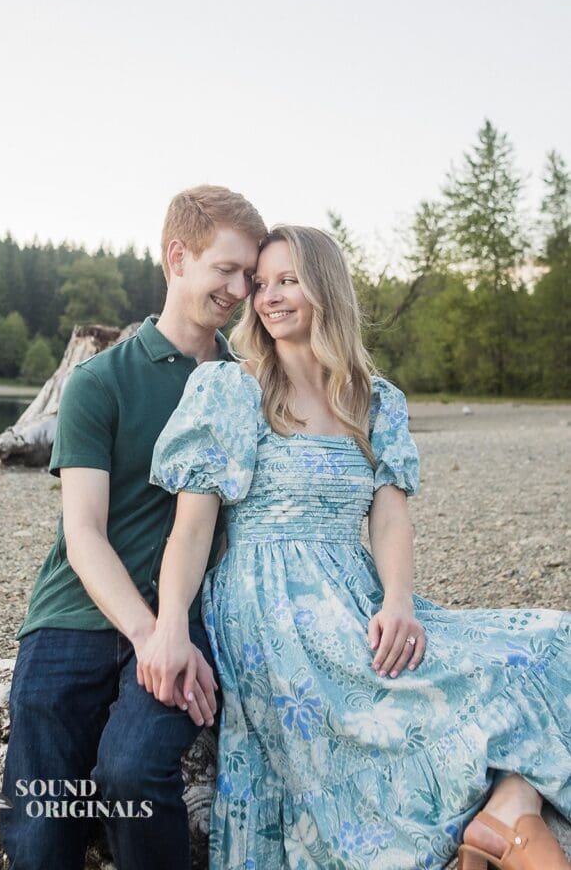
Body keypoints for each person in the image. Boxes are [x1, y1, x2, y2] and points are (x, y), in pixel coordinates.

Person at [144, 224, 571, 870]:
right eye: (260, 284)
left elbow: (389, 520)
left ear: (325, 289)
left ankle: (509, 808)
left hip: (358, 588)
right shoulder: (230, 390)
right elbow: (192, 529)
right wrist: (170, 626)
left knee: (547, 641)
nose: (268, 297)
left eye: (288, 281)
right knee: (406, 709)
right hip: (271, 611)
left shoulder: (373, 400)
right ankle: (505, 817)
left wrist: (397, 599)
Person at [0, 185, 267, 870]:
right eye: (226, 269)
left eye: (250, 275)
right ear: (177, 257)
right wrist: (148, 633)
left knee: (132, 773)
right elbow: (83, 531)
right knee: (43, 800)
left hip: (189, 615)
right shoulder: (102, 379)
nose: (240, 289)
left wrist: (176, 629)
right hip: (75, 613)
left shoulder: (243, 387)